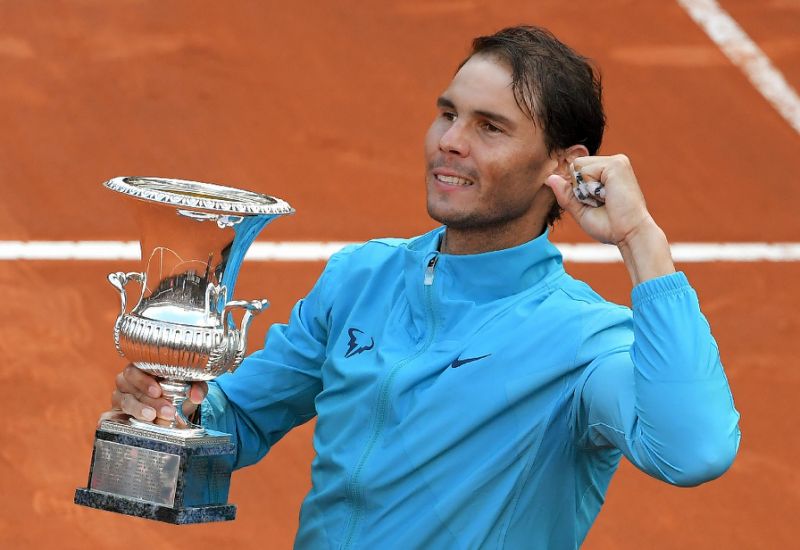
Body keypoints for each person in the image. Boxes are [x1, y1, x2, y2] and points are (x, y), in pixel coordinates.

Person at [108, 26, 740, 549]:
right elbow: (239, 419)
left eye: (490, 127)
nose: (450, 142)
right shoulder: (362, 278)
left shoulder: (583, 342)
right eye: (447, 114)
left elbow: (693, 450)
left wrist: (640, 239)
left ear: (563, 166)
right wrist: (171, 410)